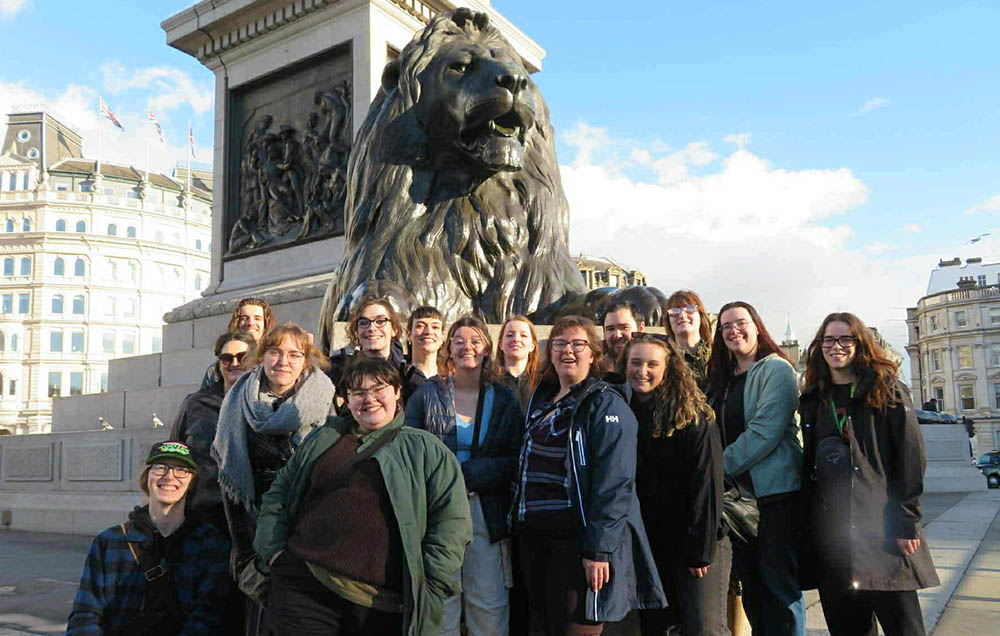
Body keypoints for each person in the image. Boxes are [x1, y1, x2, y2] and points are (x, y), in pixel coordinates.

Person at [253, 357, 473, 636]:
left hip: (379, 603)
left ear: (396, 392)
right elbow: (279, 493)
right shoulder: (325, 438)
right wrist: (274, 552)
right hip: (305, 584)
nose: (369, 399)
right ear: (346, 400)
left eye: (379, 389)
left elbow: (451, 521)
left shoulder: (426, 450)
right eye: (358, 392)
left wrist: (430, 583)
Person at [511, 315, 666, 636]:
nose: (568, 350)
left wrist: (598, 550)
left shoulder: (604, 403)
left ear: (593, 354)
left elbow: (615, 483)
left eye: (578, 344)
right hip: (533, 537)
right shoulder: (541, 402)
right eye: (560, 343)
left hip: (575, 542)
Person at [799, 312, 939, 636]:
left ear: (859, 344)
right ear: (819, 347)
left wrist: (907, 520)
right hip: (833, 541)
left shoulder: (886, 390)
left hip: (883, 534)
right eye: (828, 340)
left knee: (904, 627)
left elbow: (911, 458)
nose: (837, 346)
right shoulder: (812, 398)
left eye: (845, 339)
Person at [212, 322, 335, 635]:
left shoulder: (323, 399)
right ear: (262, 356)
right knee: (260, 615)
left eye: (294, 354)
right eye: (275, 351)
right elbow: (231, 478)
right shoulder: (238, 399)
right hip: (255, 524)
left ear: (305, 362)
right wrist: (245, 552)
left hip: (308, 522)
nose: (284, 361)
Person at [406, 316, 524, 636]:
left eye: (475, 341)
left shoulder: (504, 399)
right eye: (459, 341)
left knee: (488, 603)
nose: (466, 347)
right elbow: (409, 449)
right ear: (449, 348)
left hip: (485, 511)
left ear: (487, 349)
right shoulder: (427, 394)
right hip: (438, 510)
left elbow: (517, 458)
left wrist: (476, 473)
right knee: (442, 601)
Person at [617, 334, 727, 636]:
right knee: (657, 627)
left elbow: (706, 485)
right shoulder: (619, 411)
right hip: (650, 543)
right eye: (635, 363)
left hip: (694, 541)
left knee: (703, 627)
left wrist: (700, 550)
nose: (642, 371)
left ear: (669, 369)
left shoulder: (693, 417)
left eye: (652, 364)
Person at [706, 301, 804, 636]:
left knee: (779, 587)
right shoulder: (721, 378)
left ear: (757, 326)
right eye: (725, 326)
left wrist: (714, 470)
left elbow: (765, 432)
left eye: (740, 323)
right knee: (753, 588)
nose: (733, 330)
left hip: (772, 494)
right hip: (735, 499)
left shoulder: (776, 369)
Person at [67, 441, 231, 635]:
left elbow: (207, 620)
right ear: (147, 477)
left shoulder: (210, 544)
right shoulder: (110, 542)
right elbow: (85, 616)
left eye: (181, 469)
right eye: (160, 467)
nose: (169, 476)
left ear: (191, 481)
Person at [171, 331, 256, 532]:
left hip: (248, 514)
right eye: (227, 358)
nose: (235, 363)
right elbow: (175, 454)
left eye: (242, 357)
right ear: (219, 363)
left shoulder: (264, 406)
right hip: (202, 511)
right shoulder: (195, 403)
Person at [328, 294, 407, 414]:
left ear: (394, 330)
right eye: (364, 322)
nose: (371, 328)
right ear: (356, 331)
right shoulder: (338, 370)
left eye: (380, 321)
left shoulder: (407, 373)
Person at [200, 298, 277, 390]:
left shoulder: (274, 364)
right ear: (237, 322)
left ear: (266, 324)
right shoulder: (215, 371)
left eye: (257, 318)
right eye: (244, 318)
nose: (250, 323)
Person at [664, 289, 714, 390]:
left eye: (690, 309)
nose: (682, 315)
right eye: (675, 311)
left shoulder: (718, 354)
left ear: (701, 316)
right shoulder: (664, 359)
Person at [401, 306, 445, 402]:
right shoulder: (398, 375)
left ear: (442, 337)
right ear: (409, 335)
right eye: (420, 326)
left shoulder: (450, 377)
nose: (428, 332)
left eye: (435, 327)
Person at [496, 314, 540, 409]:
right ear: (501, 345)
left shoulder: (543, 383)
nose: (516, 339)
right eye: (510, 335)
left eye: (523, 335)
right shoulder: (490, 383)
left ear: (532, 345)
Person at [601, 300, 645, 366]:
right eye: (610, 329)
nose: (617, 335)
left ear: (640, 328)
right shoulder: (593, 368)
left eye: (624, 328)